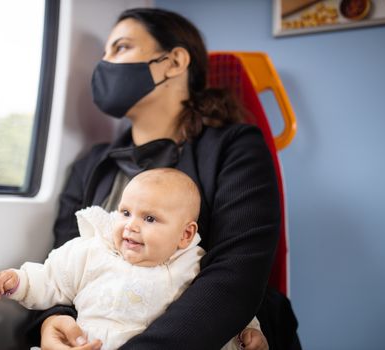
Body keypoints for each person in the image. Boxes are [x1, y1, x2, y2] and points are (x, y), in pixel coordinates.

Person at [20, 7, 300, 350]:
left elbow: (236, 275)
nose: (104, 65)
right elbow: (62, 259)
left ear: (175, 62)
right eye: (104, 54)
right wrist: (52, 320)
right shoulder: (92, 165)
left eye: (120, 48)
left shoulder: (236, 147)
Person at [0, 168, 266, 350]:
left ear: (185, 234)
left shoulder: (190, 267)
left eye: (149, 218)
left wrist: (247, 333)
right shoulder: (93, 251)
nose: (131, 225)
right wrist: (20, 281)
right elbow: (52, 278)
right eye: (125, 212)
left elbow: (220, 307)